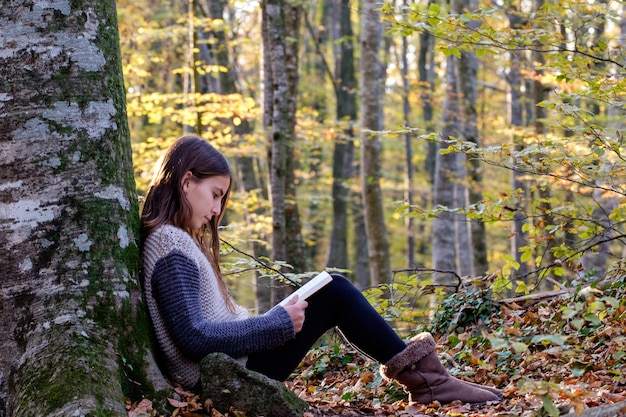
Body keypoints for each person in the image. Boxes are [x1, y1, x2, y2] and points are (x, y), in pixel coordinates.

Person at [140, 135, 501, 405]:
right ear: (187, 182)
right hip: (226, 376)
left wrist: (277, 319)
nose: (218, 209)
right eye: (216, 194)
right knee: (335, 292)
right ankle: (428, 382)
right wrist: (276, 323)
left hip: (232, 366)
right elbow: (193, 338)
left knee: (330, 289)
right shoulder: (171, 243)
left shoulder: (175, 240)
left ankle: (429, 379)